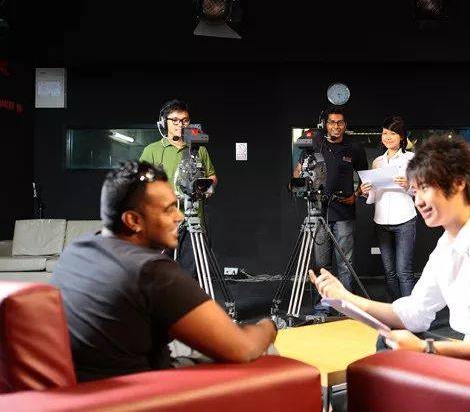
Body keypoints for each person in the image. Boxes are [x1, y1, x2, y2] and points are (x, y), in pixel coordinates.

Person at [309, 134, 470, 378]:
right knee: (388, 342)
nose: (418, 201)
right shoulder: (446, 246)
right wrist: (345, 298)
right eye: (414, 191)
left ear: (458, 183)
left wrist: (426, 349)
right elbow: (413, 314)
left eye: (424, 188)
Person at [52, 161, 276, 382]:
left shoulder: (75, 250)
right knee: (263, 351)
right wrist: (270, 326)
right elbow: (242, 349)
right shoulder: (151, 271)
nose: (179, 217)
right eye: (169, 209)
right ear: (133, 220)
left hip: (83, 389)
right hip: (142, 392)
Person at [293, 107, 368, 294]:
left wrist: (356, 195)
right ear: (325, 125)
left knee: (345, 263)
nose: (336, 126)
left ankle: (346, 302)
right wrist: (299, 177)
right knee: (321, 263)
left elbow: (367, 178)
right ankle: (324, 302)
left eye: (340, 122)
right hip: (318, 212)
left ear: (345, 125)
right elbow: (298, 173)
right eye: (332, 122)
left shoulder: (354, 149)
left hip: (344, 213)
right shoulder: (315, 147)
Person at [139, 99, 217, 278]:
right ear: (163, 122)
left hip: (192, 223)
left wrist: (206, 187)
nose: (180, 125)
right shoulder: (152, 150)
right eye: (175, 120)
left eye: (185, 120)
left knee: (189, 277)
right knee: (159, 275)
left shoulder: (198, 150)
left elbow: (212, 176)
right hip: (162, 223)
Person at [360, 116, 416, 301]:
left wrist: (408, 185)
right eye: (385, 133)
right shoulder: (377, 162)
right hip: (381, 220)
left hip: (405, 219)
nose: (388, 137)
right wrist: (366, 191)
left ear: (401, 136)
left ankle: (408, 312)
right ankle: (393, 308)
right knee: (389, 271)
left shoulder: (411, 159)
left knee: (403, 271)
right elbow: (374, 194)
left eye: (393, 133)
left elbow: (421, 190)